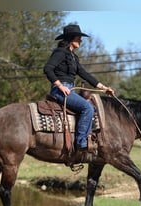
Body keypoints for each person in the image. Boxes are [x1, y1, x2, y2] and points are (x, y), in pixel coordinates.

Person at [44, 24, 114, 155]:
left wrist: (104, 88)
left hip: (70, 89)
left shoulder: (74, 57)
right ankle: (81, 142)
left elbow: (85, 74)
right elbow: (48, 69)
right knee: (87, 108)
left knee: (87, 107)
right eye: (78, 38)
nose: (81, 41)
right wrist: (60, 85)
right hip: (59, 90)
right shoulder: (60, 53)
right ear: (71, 39)